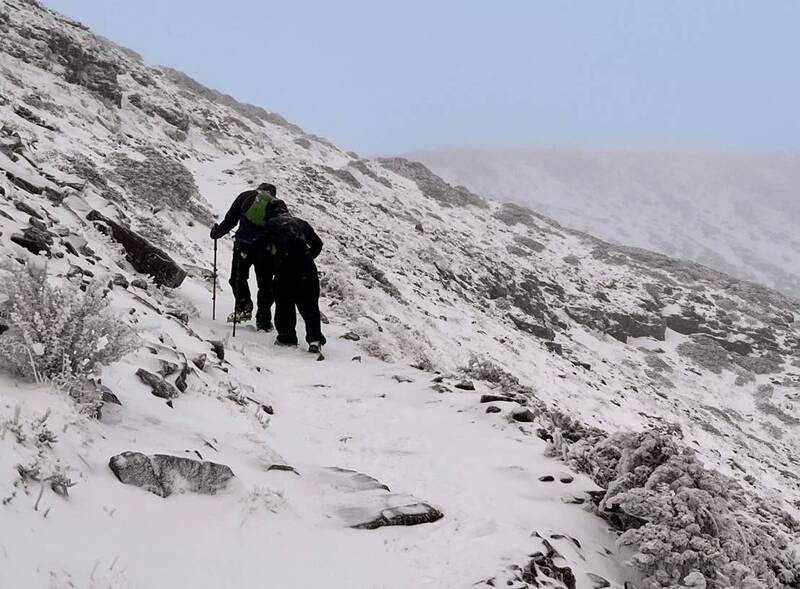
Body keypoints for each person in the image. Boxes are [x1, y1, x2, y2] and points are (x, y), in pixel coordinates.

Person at [209, 182, 277, 331]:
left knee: (237, 278)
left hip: (243, 245)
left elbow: (230, 220)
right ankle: (264, 321)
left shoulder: (245, 197)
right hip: (265, 250)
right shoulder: (276, 204)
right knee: (265, 285)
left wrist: (217, 233)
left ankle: (244, 309)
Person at [263, 199, 326, 352]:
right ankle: (315, 339)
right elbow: (318, 244)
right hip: (307, 269)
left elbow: (262, 248)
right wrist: (307, 258)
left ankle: (287, 337)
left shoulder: (271, 225)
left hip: (285, 269)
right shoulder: (300, 223)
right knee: (310, 305)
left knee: (284, 303)